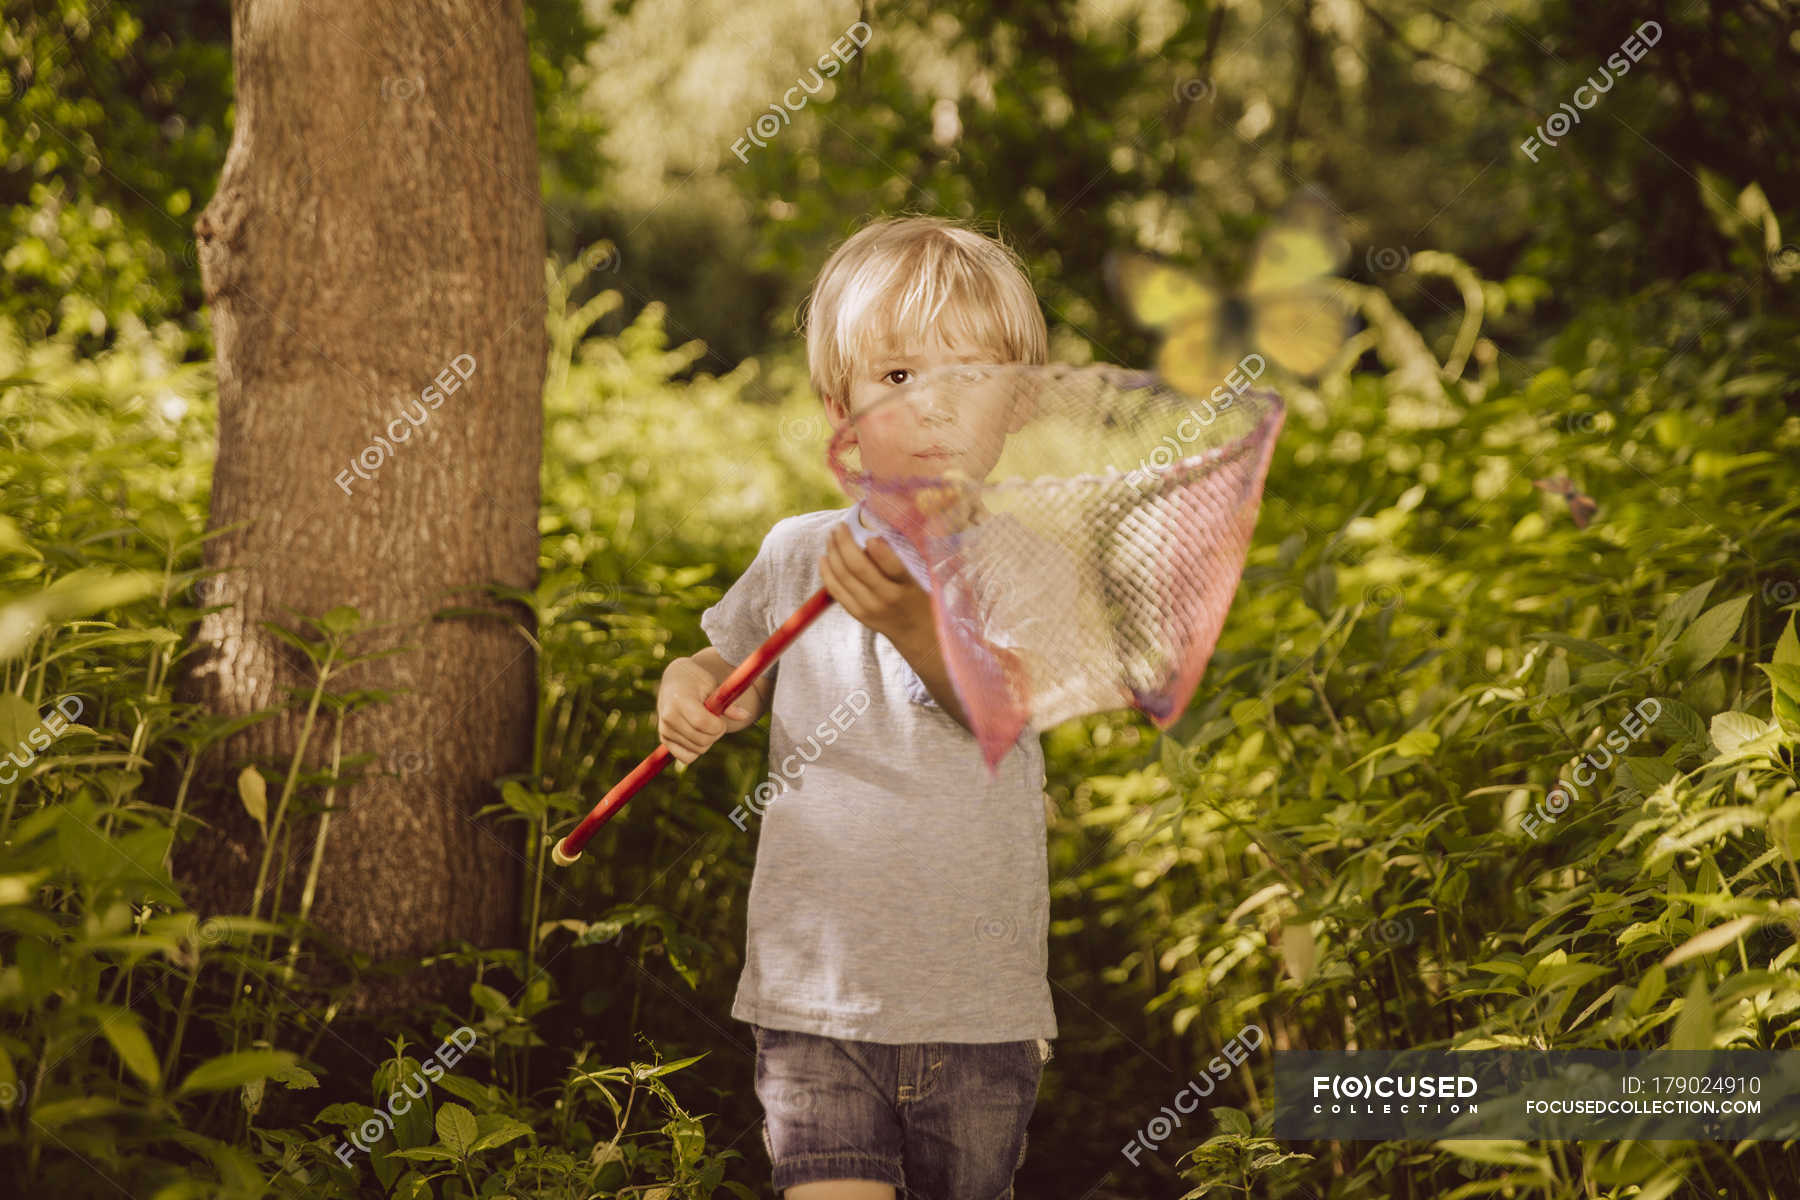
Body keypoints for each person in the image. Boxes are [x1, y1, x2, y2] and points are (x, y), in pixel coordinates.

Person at [655, 215, 1055, 1200]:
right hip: (815, 1005)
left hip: (979, 1011)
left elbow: (1003, 706)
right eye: (896, 377)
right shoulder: (799, 551)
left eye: (969, 376)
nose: (931, 408)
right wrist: (692, 693)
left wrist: (919, 624)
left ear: (1022, 405)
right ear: (840, 409)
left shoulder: (1028, 560)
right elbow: (722, 664)